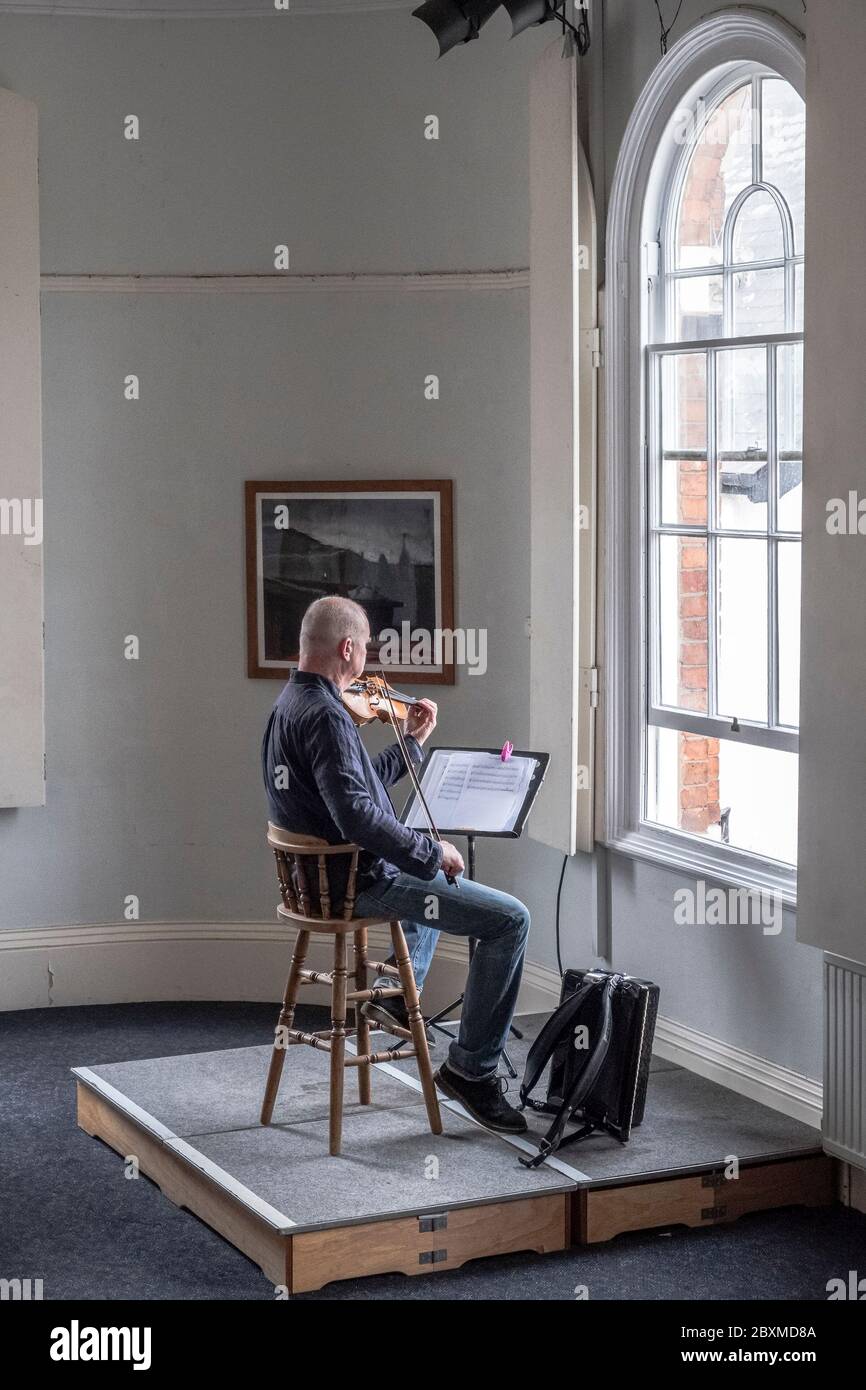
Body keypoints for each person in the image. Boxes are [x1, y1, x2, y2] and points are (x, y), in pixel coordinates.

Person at [261, 594, 530, 1133]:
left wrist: (413, 744)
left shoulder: (293, 703)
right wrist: (432, 852)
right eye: (364, 649)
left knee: (426, 875)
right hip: (355, 883)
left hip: (324, 881)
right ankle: (472, 1071)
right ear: (347, 648)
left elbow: (353, 791)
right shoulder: (328, 717)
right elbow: (359, 817)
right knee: (509, 920)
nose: (368, 662)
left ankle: (390, 1002)